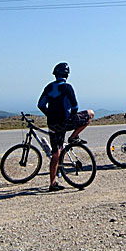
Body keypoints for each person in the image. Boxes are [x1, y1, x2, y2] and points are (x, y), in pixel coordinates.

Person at [38, 63, 94, 191]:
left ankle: (52, 183)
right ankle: (73, 137)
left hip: (52, 124)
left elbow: (40, 105)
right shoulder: (68, 87)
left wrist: (50, 114)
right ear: (67, 75)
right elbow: (75, 107)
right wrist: (71, 118)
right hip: (65, 122)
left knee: (55, 153)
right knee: (90, 114)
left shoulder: (49, 87)